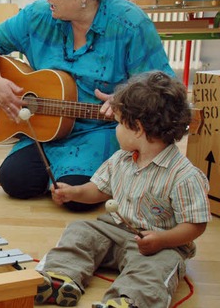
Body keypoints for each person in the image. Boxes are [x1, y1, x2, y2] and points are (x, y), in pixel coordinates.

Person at [0, 0, 174, 211]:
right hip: (45, 128)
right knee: (14, 181)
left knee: (78, 198)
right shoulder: (39, 14)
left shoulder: (131, 24)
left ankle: (91, 177)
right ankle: (71, 178)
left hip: (98, 128)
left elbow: (162, 86)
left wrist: (126, 98)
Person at [34, 71, 211, 308]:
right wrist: (74, 193)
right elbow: (99, 189)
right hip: (114, 229)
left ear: (137, 128)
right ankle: (59, 278)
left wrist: (162, 239)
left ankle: (128, 301)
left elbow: (196, 224)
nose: (115, 128)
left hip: (159, 244)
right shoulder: (121, 159)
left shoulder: (184, 176)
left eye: (118, 123)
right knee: (81, 230)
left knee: (159, 267)